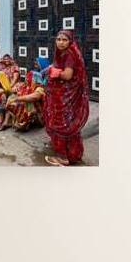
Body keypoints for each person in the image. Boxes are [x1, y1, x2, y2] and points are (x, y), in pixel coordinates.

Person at [42, 30, 90, 166]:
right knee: (68, 125)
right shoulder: (66, 53)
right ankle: (73, 154)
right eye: (58, 39)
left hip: (65, 98)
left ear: (70, 41)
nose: (61, 42)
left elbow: (68, 75)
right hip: (61, 96)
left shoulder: (69, 54)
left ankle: (63, 157)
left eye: (64, 40)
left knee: (61, 124)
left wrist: (53, 71)